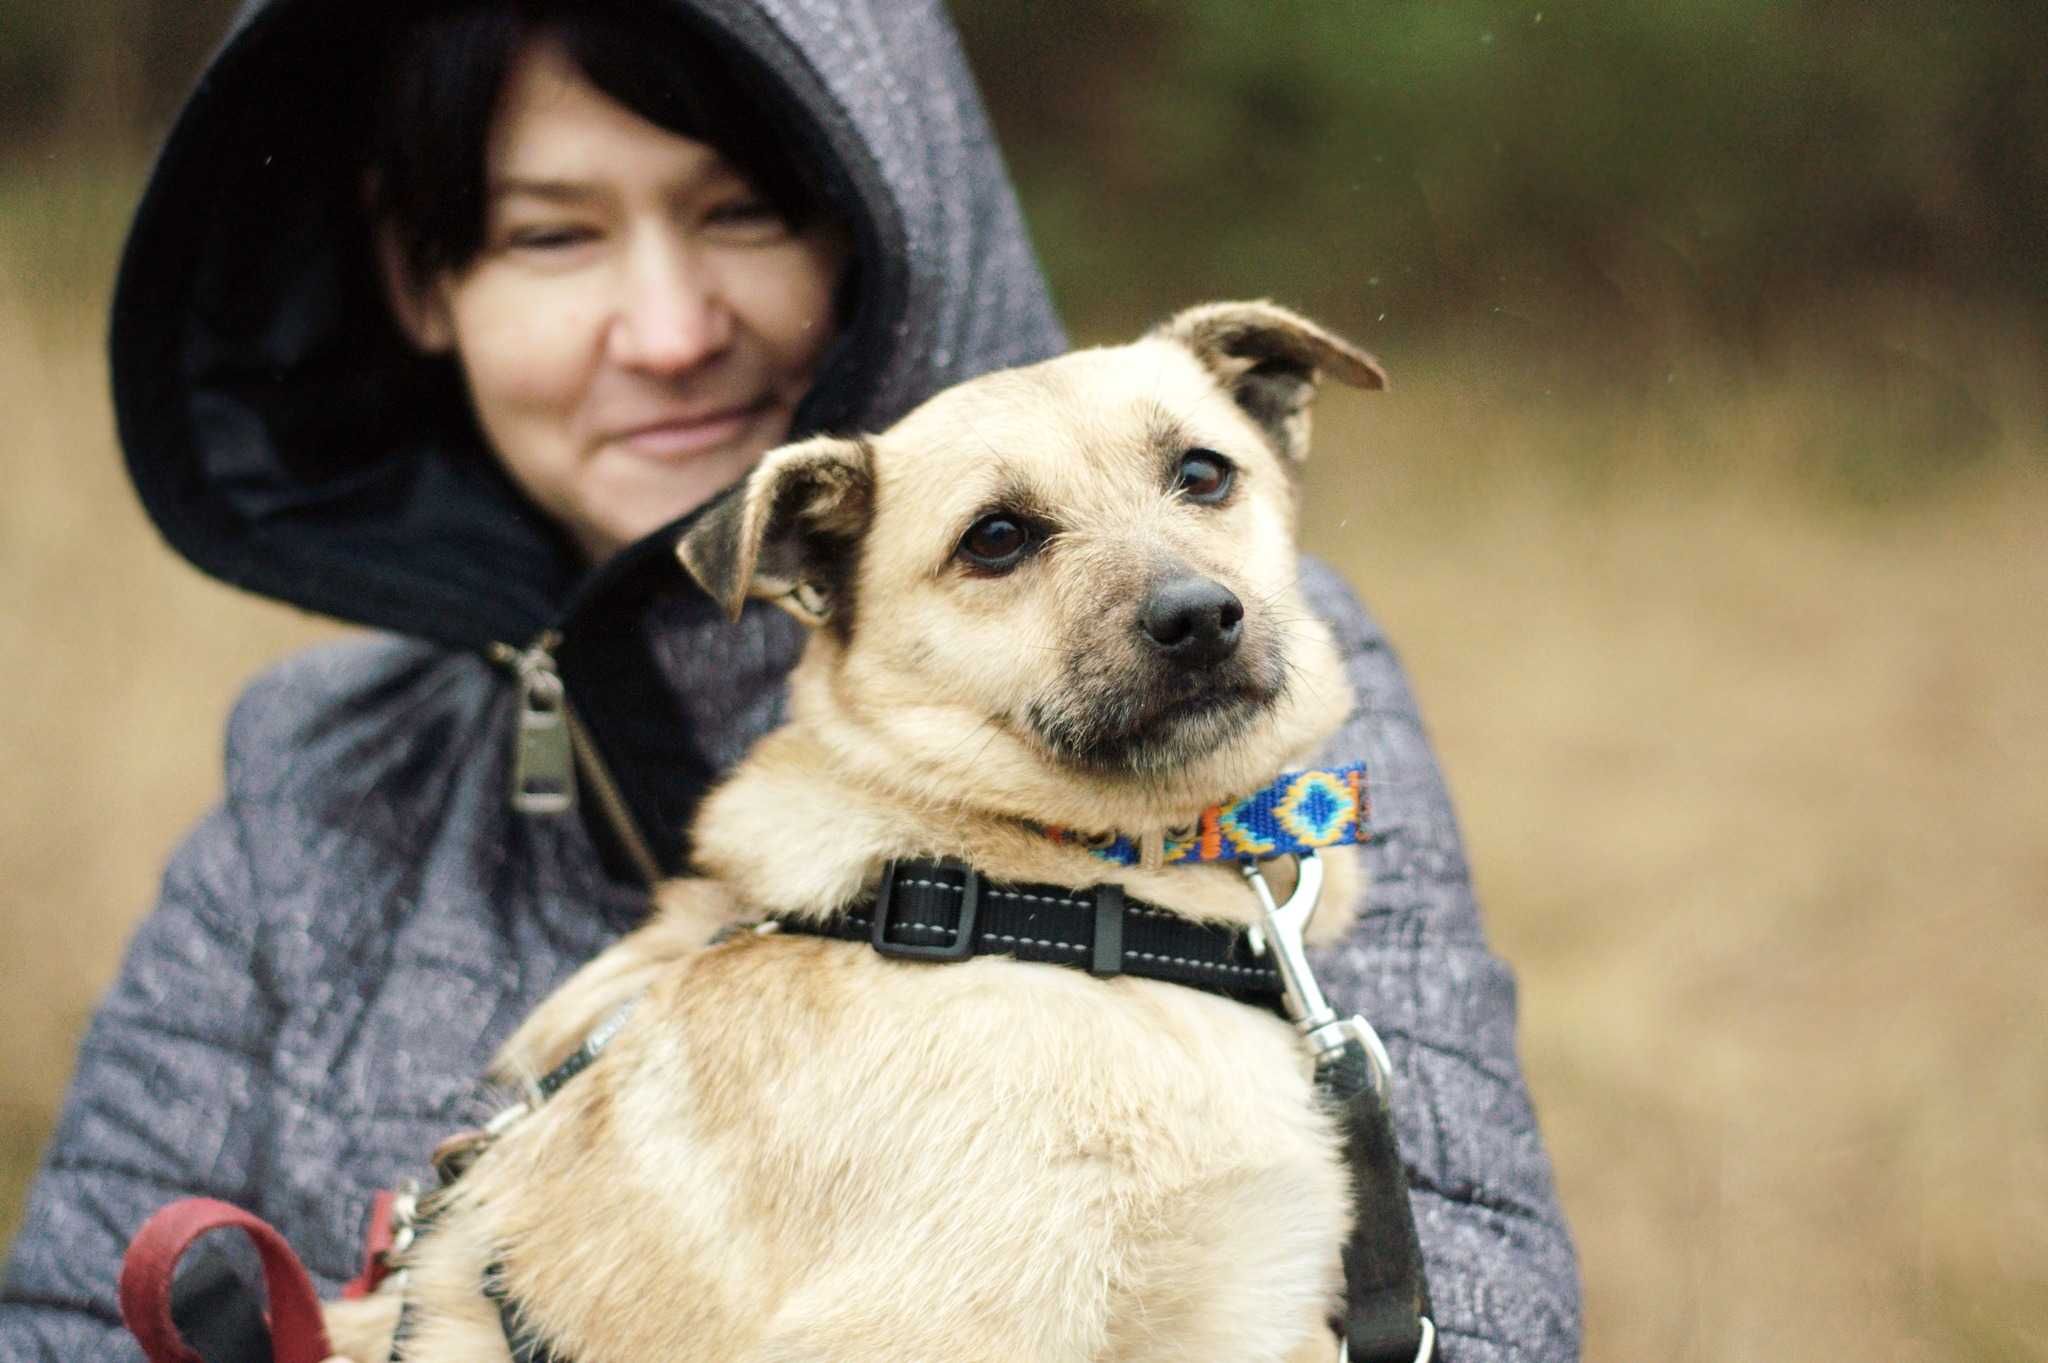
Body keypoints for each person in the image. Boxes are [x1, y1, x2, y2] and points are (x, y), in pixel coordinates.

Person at [0, 0, 1581, 1358]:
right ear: (424, 288)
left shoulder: (1285, 715)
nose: (672, 330)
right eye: (553, 233)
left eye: (741, 210)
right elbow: (74, 1316)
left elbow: (1469, 1298)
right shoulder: (311, 772)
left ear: (883, 214)